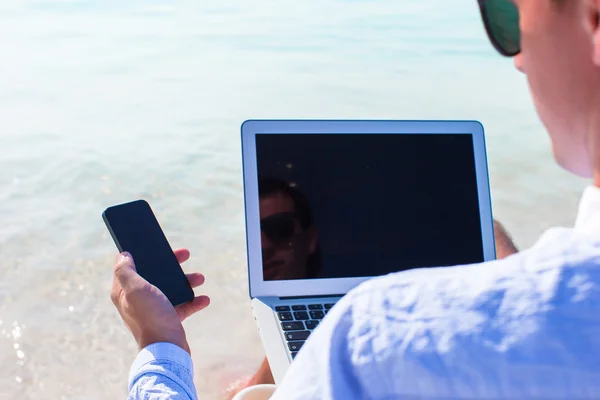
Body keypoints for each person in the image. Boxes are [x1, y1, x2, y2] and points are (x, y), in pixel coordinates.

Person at [109, 0, 600, 397]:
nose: (516, 56)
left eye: (509, 17)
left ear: (593, 19)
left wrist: (160, 348)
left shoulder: (374, 337)